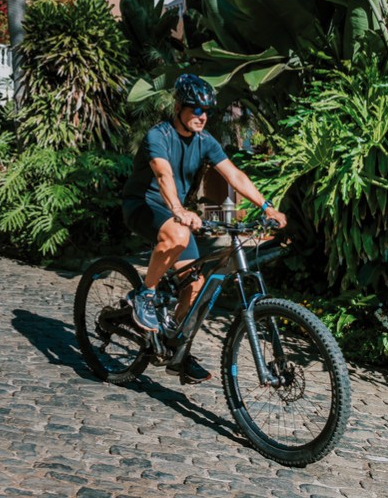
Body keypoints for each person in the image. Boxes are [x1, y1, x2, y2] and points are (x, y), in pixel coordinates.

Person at [120, 74, 288, 384]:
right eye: (195, 109)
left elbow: (234, 176)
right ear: (179, 107)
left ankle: (177, 349)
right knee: (180, 233)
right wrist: (179, 210)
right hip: (143, 206)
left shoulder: (205, 141)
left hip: (175, 213)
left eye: (206, 111)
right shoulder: (159, 135)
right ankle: (144, 295)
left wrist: (267, 207)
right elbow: (163, 175)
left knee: (195, 285)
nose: (202, 116)